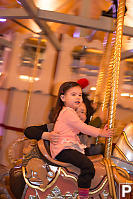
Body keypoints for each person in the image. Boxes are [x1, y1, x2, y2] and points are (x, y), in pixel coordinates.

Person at [50, 81, 113, 199]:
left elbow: (82, 128)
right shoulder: (68, 112)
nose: (78, 97)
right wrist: (101, 132)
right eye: (73, 94)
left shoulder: (69, 112)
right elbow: (83, 127)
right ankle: (83, 196)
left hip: (67, 147)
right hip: (63, 149)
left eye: (79, 95)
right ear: (63, 98)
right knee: (88, 166)